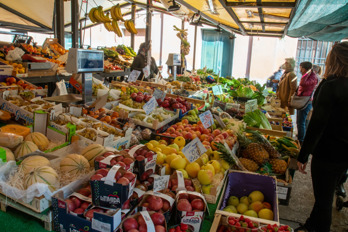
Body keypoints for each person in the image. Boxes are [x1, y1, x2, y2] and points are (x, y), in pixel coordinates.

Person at [296, 42, 348, 232]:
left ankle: (320, 228)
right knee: (325, 196)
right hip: (344, 155)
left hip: (328, 152)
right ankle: (311, 225)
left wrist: (303, 155)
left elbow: (317, 124)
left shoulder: (331, 86)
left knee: (324, 199)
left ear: (334, 60)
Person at [296, 61, 318, 145]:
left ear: (304, 68)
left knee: (301, 122)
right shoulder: (310, 76)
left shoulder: (312, 76)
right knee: (300, 121)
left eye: (301, 67)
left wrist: (306, 74)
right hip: (302, 101)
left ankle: (301, 141)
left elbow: (303, 83)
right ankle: (300, 138)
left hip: (306, 102)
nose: (300, 70)